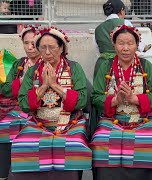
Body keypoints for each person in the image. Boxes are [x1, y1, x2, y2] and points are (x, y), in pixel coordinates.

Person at [9, 26, 92, 180]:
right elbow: (24, 103)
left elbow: (82, 100)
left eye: (52, 47)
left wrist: (55, 85)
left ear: (61, 48)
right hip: (39, 121)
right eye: (42, 48)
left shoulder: (74, 68)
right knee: (23, 144)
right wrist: (43, 87)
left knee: (71, 145)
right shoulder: (33, 71)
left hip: (69, 121)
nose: (47, 52)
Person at [90, 24, 152, 180]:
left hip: (142, 119)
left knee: (150, 141)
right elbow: (96, 97)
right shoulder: (106, 67)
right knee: (101, 140)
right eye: (121, 43)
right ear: (114, 45)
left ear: (137, 45)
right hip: (112, 120)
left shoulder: (145, 66)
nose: (125, 48)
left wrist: (134, 99)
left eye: (130, 43)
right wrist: (116, 100)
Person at [0, 24, 40, 180]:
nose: (30, 47)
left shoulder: (49, 62)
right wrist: (22, 80)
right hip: (17, 109)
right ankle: (5, 172)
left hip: (39, 108)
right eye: (26, 43)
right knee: (5, 127)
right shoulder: (18, 64)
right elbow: (6, 89)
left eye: (34, 43)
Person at [93, 0, 149, 78]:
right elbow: (138, 44)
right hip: (120, 63)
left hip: (101, 65)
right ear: (121, 11)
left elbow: (97, 50)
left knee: (101, 88)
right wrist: (145, 48)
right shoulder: (126, 23)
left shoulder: (97, 29)